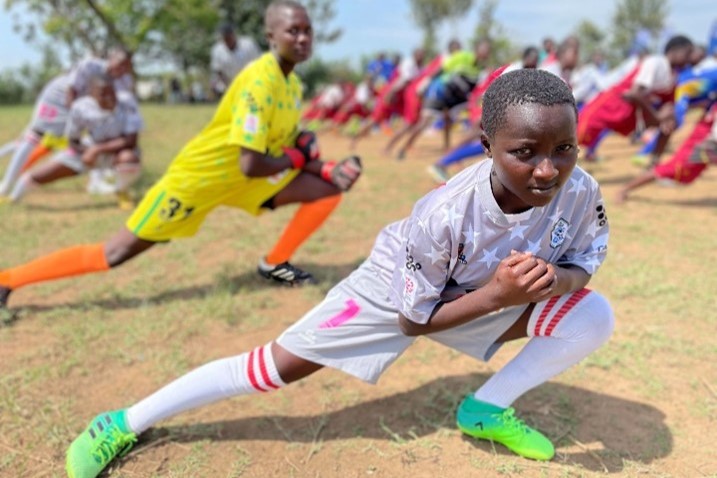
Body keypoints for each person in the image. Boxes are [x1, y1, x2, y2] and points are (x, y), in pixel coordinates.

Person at [65, 69, 613, 478]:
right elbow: (413, 321)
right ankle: (123, 422)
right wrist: (500, 293)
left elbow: (583, 262)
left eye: (564, 148)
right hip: (397, 295)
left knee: (591, 315)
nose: (548, 169)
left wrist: (554, 282)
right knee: (273, 368)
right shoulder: (445, 213)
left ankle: (485, 409)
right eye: (525, 152)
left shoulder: (579, 189)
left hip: (486, 292)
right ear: (486, 146)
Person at [0, 0, 362, 314]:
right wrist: (300, 158)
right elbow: (252, 163)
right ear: (270, 37)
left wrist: (328, 167)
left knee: (325, 190)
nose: (302, 39)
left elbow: (285, 145)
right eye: (292, 31)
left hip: (243, 182)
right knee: (115, 253)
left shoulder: (293, 84)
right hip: (200, 181)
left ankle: (273, 263)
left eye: (307, 31)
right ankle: (8, 279)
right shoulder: (259, 82)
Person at [0, 50, 133, 198]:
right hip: (60, 99)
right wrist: (76, 117)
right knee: (35, 136)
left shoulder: (123, 80)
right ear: (111, 58)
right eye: (119, 64)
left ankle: (95, 183)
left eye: (126, 67)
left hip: (86, 106)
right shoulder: (90, 66)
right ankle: (6, 184)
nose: (121, 69)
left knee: (95, 139)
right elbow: (71, 90)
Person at [427, 46, 539, 182]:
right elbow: (493, 90)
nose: (534, 62)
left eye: (536, 59)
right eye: (532, 58)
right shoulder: (514, 70)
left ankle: (445, 162)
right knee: (485, 140)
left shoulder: (528, 73)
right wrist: (484, 111)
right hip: (483, 102)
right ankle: (443, 163)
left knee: (484, 141)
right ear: (525, 57)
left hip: (488, 103)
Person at [578, 35, 694, 164]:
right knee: (576, 137)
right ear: (674, 51)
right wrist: (657, 117)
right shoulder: (656, 62)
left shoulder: (673, 76)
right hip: (611, 106)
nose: (690, 58)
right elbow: (632, 94)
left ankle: (654, 164)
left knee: (671, 121)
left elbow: (668, 104)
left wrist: (667, 117)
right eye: (688, 53)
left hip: (631, 114)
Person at [391, 39, 492, 160]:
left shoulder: (481, 68)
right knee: (424, 122)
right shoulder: (462, 56)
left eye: (488, 51)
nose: (487, 54)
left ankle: (448, 151)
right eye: (484, 50)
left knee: (448, 121)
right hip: (440, 92)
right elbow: (442, 69)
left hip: (455, 98)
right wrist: (425, 83)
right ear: (477, 49)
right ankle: (404, 148)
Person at [350, 48, 426, 149]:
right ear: (414, 55)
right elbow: (402, 81)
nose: (421, 57)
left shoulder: (420, 67)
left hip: (403, 96)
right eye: (419, 55)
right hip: (392, 92)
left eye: (422, 55)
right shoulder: (408, 64)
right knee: (376, 119)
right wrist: (391, 94)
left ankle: (402, 146)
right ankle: (355, 139)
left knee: (412, 120)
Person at [210, 23, 261, 98]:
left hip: (251, 80)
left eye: (229, 36)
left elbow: (259, 63)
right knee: (217, 86)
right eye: (224, 37)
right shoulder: (217, 50)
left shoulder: (248, 44)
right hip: (231, 83)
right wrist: (227, 86)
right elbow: (218, 71)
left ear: (233, 34)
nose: (227, 39)